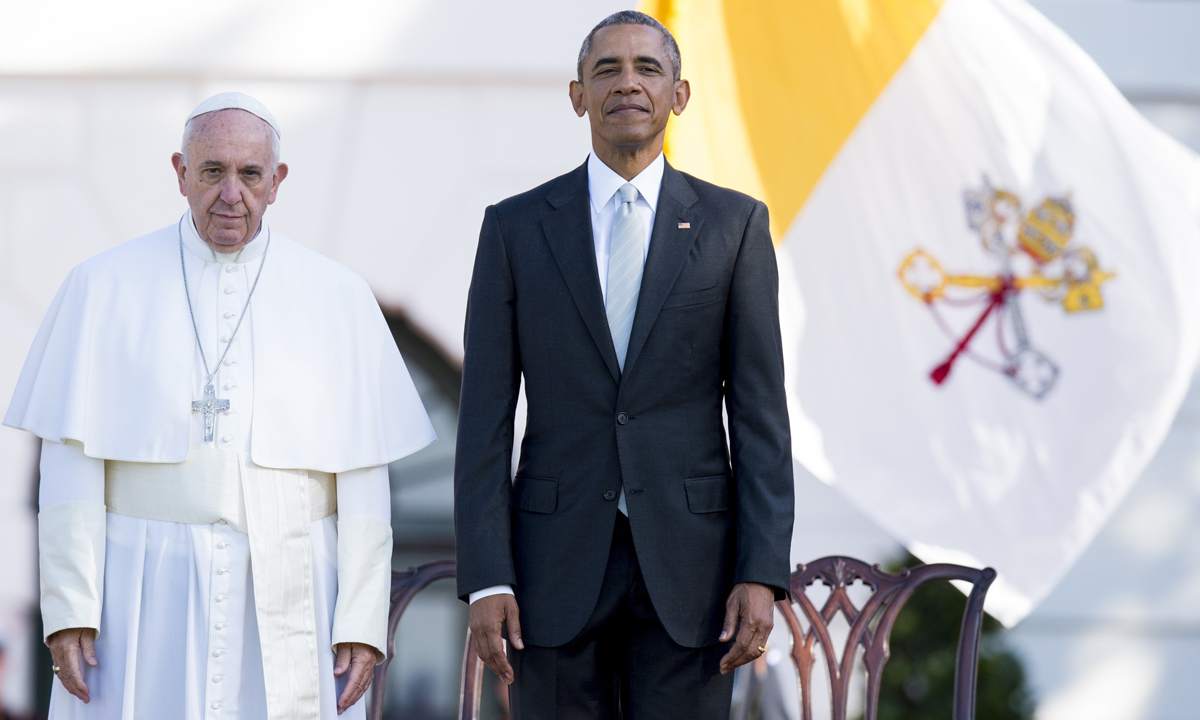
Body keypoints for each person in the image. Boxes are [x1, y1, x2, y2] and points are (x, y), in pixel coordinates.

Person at [4, 92, 436, 720]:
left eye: (250, 174)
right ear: (181, 173)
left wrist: (363, 618)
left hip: (294, 583)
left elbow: (364, 477)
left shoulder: (337, 296)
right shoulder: (102, 285)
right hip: (141, 586)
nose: (231, 193)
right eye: (212, 172)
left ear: (277, 181)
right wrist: (70, 608)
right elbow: (69, 466)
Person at [454, 11, 794, 719]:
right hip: (548, 570)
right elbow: (484, 418)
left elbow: (760, 415)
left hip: (696, 575)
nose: (627, 83)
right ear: (578, 95)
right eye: (606, 69)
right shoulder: (514, 228)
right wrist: (487, 578)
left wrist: (761, 571)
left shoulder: (735, 227)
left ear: (680, 94)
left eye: (648, 68)